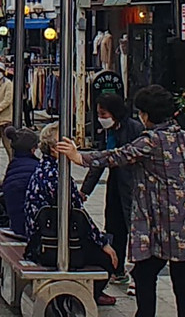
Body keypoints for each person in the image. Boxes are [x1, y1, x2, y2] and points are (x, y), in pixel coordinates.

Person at [57, 85, 185, 317]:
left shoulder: (151, 140)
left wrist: (79, 157)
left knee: (144, 274)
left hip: (161, 224)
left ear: (146, 115)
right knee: (183, 279)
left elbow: (118, 155)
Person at [24, 123, 118, 307]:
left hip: (40, 238)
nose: (73, 144)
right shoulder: (57, 176)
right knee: (108, 258)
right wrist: (103, 243)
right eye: (67, 141)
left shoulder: (43, 168)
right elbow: (79, 215)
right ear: (55, 149)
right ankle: (89, 295)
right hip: (52, 243)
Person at [80, 92, 143, 288]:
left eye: (104, 114)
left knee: (135, 229)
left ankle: (139, 276)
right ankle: (117, 269)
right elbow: (100, 161)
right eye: (99, 114)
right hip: (116, 184)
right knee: (115, 227)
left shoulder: (134, 129)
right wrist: (85, 190)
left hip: (133, 186)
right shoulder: (108, 132)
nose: (101, 118)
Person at [0, 126, 39, 237]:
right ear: (33, 150)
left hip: (16, 224)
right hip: (31, 228)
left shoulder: (13, 165)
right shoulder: (37, 168)